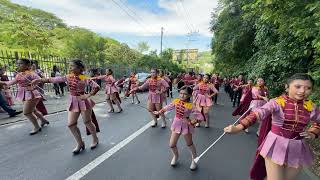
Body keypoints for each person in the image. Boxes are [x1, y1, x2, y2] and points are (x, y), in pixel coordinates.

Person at [224, 73, 320, 180]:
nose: (302, 91)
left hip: (298, 148)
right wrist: (238, 127)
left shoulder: (311, 107)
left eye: (308, 88)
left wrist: (312, 133)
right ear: (287, 87)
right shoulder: (276, 102)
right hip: (275, 145)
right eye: (298, 86)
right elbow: (258, 113)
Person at [32, 59, 100, 154]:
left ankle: (95, 139)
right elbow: (53, 79)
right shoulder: (68, 77)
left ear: (80, 68)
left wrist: (87, 95)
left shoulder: (83, 77)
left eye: (72, 66)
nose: (70, 68)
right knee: (71, 124)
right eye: (70, 66)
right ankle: (80, 143)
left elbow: (96, 87)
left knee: (87, 122)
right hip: (73, 102)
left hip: (84, 102)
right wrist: (39, 79)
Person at [154, 86, 204, 170]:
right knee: (172, 144)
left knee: (189, 144)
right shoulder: (176, 101)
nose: (182, 95)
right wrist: (159, 111)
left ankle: (194, 159)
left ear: (189, 95)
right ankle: (176, 156)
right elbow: (168, 107)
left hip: (186, 126)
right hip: (176, 124)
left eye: (185, 94)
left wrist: (192, 122)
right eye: (181, 93)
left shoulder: (191, 106)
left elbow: (200, 117)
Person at [0, 59, 49, 135]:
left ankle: (37, 127)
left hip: (31, 94)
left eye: (20, 64)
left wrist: (34, 84)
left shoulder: (31, 73)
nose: (18, 65)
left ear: (27, 65)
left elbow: (39, 80)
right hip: (23, 94)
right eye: (17, 64)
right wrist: (3, 83)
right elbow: (10, 83)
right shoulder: (19, 74)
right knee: (33, 110)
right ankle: (43, 120)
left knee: (27, 112)